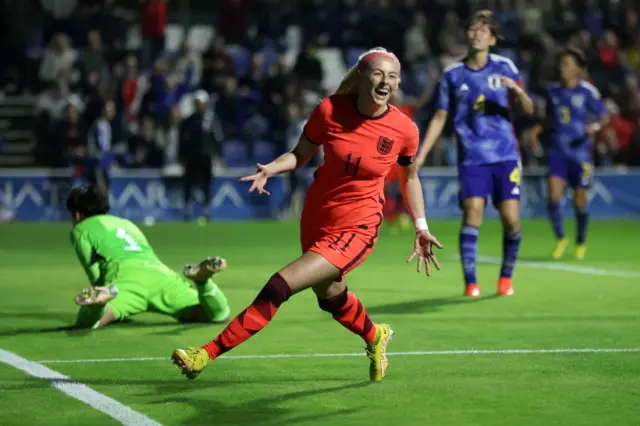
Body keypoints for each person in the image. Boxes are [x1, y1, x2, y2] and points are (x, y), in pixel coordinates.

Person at [171, 47, 443, 382]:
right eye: (378, 73)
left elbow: (410, 177)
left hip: (358, 226)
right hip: (317, 216)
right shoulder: (329, 110)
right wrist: (270, 169)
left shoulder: (404, 130)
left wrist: (420, 225)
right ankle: (375, 335)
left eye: (392, 76)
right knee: (330, 296)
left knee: (278, 286)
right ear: (361, 76)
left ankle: (205, 354)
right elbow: (299, 154)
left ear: (398, 83)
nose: (385, 81)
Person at [416, 11, 534, 298]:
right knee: (473, 213)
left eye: (483, 30)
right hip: (472, 155)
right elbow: (440, 117)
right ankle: (471, 282)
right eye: (472, 29)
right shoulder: (453, 74)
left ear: (492, 38)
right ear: (467, 36)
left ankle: (506, 277)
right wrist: (421, 155)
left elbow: (529, 110)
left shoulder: (505, 66)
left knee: (511, 220)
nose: (477, 34)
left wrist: (518, 94)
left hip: (505, 154)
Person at [66, 184, 231, 329]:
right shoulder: (127, 223)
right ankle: (202, 281)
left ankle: (98, 305)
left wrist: (103, 291)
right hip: (160, 275)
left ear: (77, 215)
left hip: (124, 282)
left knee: (89, 324)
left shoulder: (81, 229)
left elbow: (93, 269)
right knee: (216, 315)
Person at [539, 48, 608, 260]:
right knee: (553, 196)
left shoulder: (587, 91)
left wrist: (593, 128)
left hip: (580, 155)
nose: (563, 68)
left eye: (567, 64)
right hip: (557, 152)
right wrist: (538, 129)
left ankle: (580, 241)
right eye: (561, 64)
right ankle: (561, 238)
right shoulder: (554, 92)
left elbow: (604, 116)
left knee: (580, 201)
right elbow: (551, 119)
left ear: (577, 69)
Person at [179, 90, 219, 223]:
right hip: (191, 158)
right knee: (189, 184)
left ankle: (206, 211)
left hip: (206, 158)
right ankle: (187, 210)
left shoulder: (211, 120)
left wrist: (217, 155)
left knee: (206, 184)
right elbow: (182, 141)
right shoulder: (188, 121)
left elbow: (217, 139)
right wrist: (182, 157)